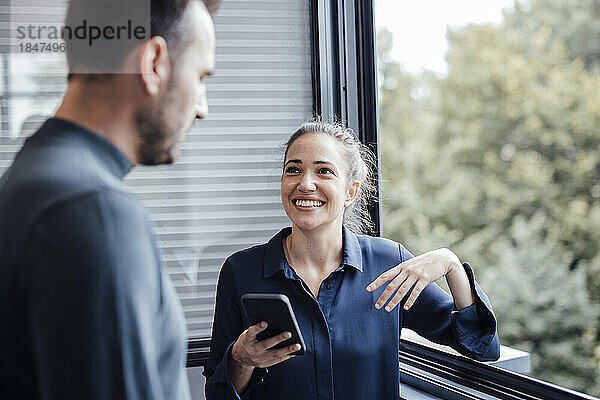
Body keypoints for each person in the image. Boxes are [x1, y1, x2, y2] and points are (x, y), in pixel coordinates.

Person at [0, 0, 219, 398]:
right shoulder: (93, 211)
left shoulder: (33, 183)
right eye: (201, 76)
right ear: (154, 62)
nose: (202, 108)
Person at [204, 120, 501, 399]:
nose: (305, 183)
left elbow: (482, 347)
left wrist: (450, 264)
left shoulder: (388, 263)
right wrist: (240, 359)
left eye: (324, 171)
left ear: (350, 192)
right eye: (293, 170)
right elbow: (216, 392)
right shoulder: (240, 270)